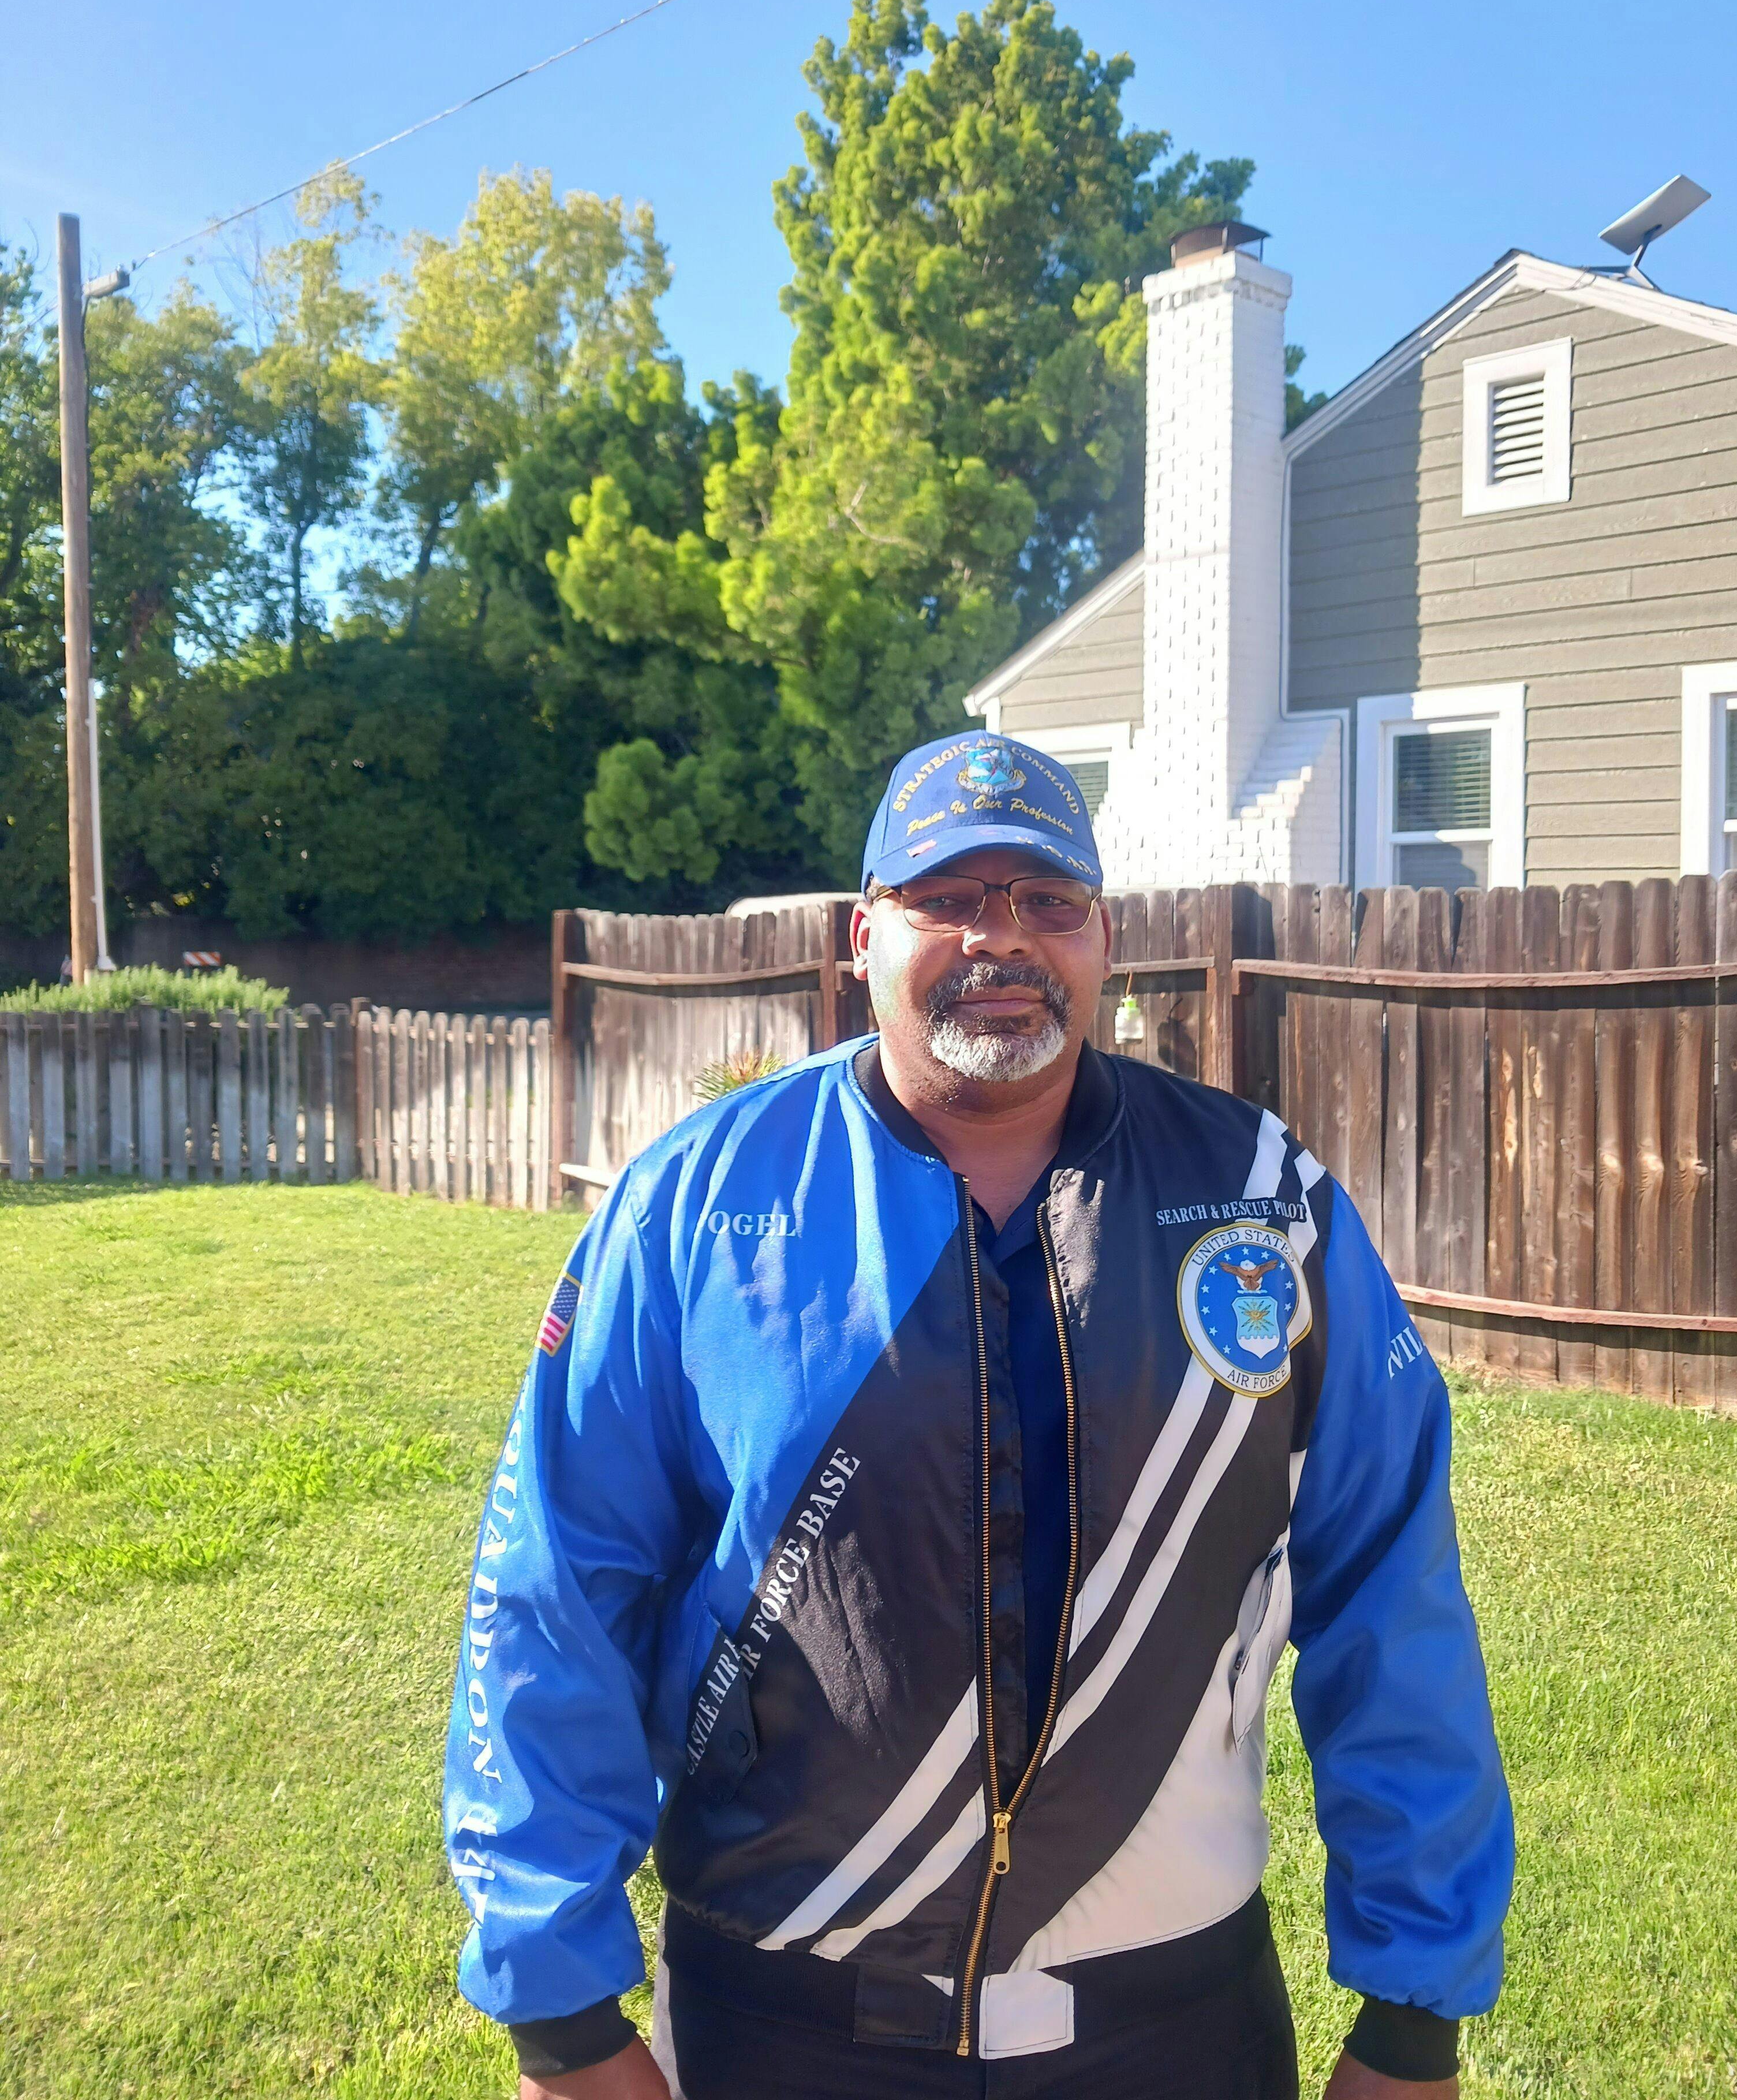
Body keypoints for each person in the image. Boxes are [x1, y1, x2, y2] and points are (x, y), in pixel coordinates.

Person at [444, 732, 1513, 2100]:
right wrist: (561, 2019)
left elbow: (1394, 1601)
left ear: (1104, 939)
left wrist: (1414, 2019)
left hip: (1172, 2029)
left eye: (1045, 900)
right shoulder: (697, 1206)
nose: (1000, 937)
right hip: (783, 2023)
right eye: (946, 897)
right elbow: (555, 1594)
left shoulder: (1267, 1206)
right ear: (864, 936)